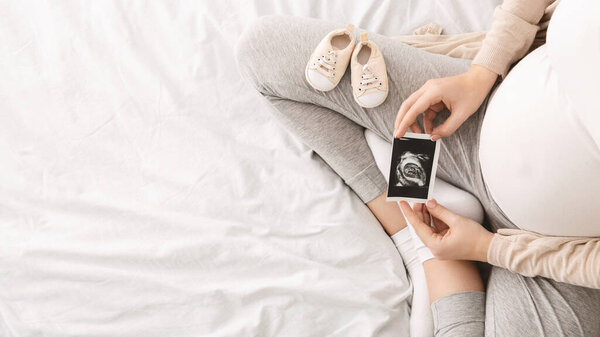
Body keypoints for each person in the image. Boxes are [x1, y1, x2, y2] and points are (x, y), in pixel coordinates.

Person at [235, 0, 600, 335]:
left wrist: (487, 249)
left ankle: (426, 230)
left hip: (558, 252)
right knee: (264, 51)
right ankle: (413, 231)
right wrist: (480, 73)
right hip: (474, 117)